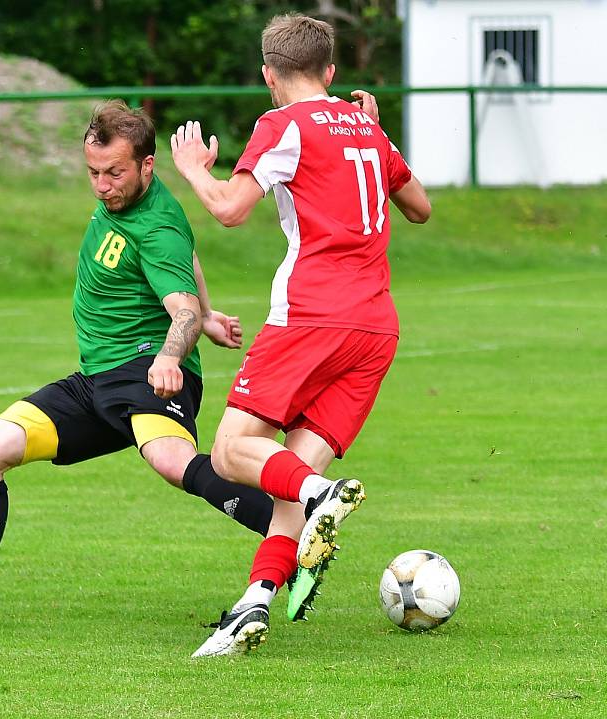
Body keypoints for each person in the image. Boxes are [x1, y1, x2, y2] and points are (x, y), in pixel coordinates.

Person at [0, 100, 275, 633]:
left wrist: (176, 350)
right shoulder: (126, 201)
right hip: (96, 381)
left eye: (115, 173)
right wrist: (211, 311)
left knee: (175, 463)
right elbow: (188, 264)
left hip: (146, 373)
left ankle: (289, 534)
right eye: (94, 172)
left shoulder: (155, 225)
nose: (102, 185)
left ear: (147, 166)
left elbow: (182, 306)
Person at [171, 14, 431, 657]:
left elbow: (230, 209)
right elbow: (421, 207)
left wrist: (193, 170)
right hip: (376, 327)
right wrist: (373, 134)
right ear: (332, 72)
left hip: (312, 317)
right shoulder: (365, 125)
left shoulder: (281, 124)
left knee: (234, 454)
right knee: (289, 472)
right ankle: (253, 605)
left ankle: (324, 497)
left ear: (268, 73)